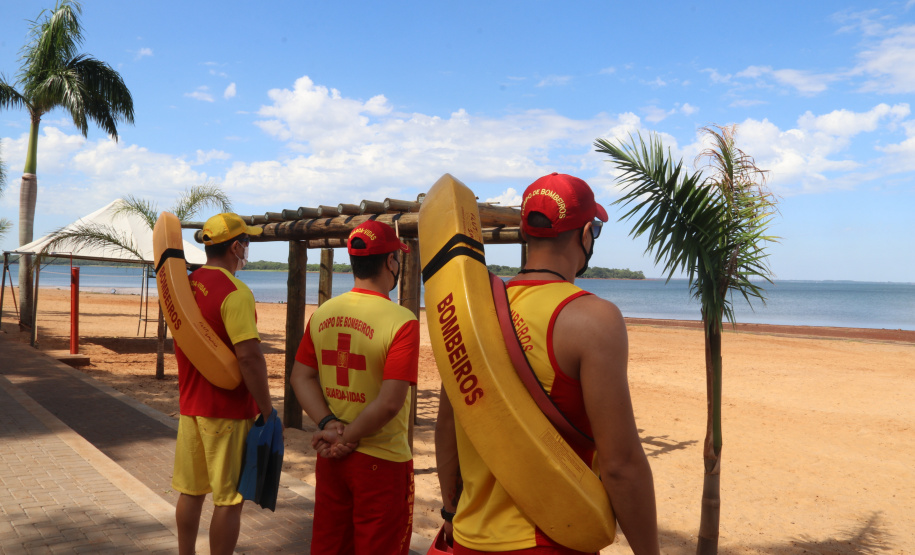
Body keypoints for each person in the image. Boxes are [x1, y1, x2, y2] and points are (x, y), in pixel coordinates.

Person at [435, 173, 660, 554]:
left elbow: (447, 424)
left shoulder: (474, 309)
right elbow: (620, 464)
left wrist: (452, 508)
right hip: (550, 539)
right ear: (587, 233)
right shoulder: (593, 319)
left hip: (470, 539)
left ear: (526, 233)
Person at [290, 220, 420, 555]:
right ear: (391, 262)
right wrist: (346, 438)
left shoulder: (324, 313)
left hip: (332, 458)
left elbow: (300, 377)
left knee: (330, 546)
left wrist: (328, 426)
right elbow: (390, 402)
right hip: (383, 460)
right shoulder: (402, 321)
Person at [171, 213, 275, 555]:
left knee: (191, 492)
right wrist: (267, 408)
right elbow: (249, 358)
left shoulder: (184, 286)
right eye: (247, 242)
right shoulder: (236, 292)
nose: (248, 249)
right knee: (229, 499)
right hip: (228, 412)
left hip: (190, 407)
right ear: (235, 247)